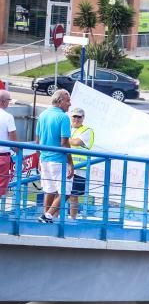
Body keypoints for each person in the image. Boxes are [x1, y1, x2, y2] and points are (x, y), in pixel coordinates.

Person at [36, 89, 73, 223]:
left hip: (44, 159)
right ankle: (47, 215)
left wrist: (39, 158)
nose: (70, 104)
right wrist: (71, 163)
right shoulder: (63, 117)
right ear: (60, 101)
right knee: (65, 192)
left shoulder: (43, 115)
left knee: (49, 190)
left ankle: (45, 216)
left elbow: (37, 140)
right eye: (68, 100)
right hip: (58, 160)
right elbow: (64, 143)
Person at [67, 107, 95, 219]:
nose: (76, 119)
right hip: (65, 166)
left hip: (79, 169)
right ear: (71, 117)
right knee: (60, 193)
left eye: (79, 117)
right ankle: (55, 216)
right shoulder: (67, 128)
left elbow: (76, 142)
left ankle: (72, 219)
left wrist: (61, 139)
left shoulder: (87, 130)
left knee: (74, 195)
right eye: (75, 116)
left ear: (83, 118)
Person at [0, 89, 17, 199]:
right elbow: (13, 142)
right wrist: (19, 153)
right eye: (8, 100)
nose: (9, 103)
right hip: (2, 158)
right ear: (3, 101)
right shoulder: (8, 117)